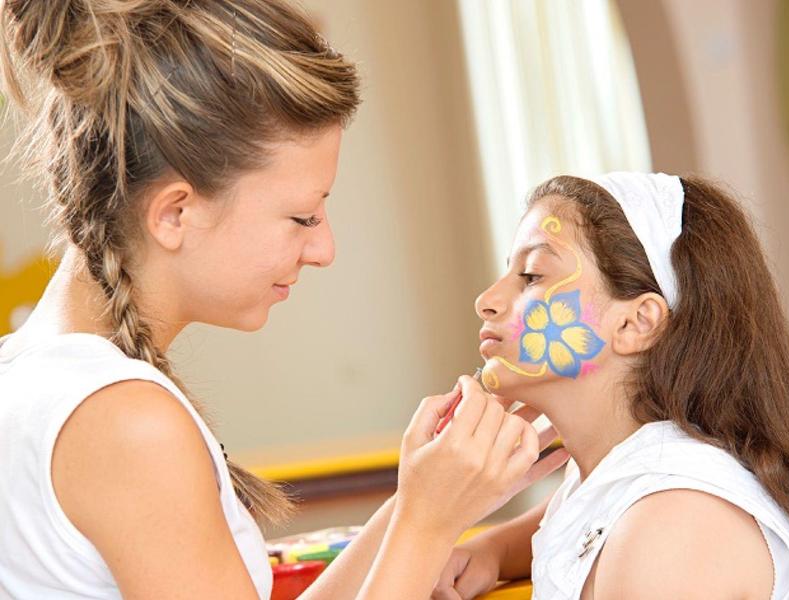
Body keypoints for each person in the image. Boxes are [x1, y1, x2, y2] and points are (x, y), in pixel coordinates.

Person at [0, 1, 570, 598]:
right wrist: (429, 524)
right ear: (174, 214)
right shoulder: (127, 424)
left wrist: (417, 502)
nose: (324, 249)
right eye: (302, 217)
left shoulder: (38, 377)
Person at [432, 173, 789, 599]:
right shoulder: (625, 478)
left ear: (635, 323)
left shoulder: (672, 532)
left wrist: (426, 522)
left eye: (531, 275)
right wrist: (493, 549)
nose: (486, 301)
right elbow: (589, 518)